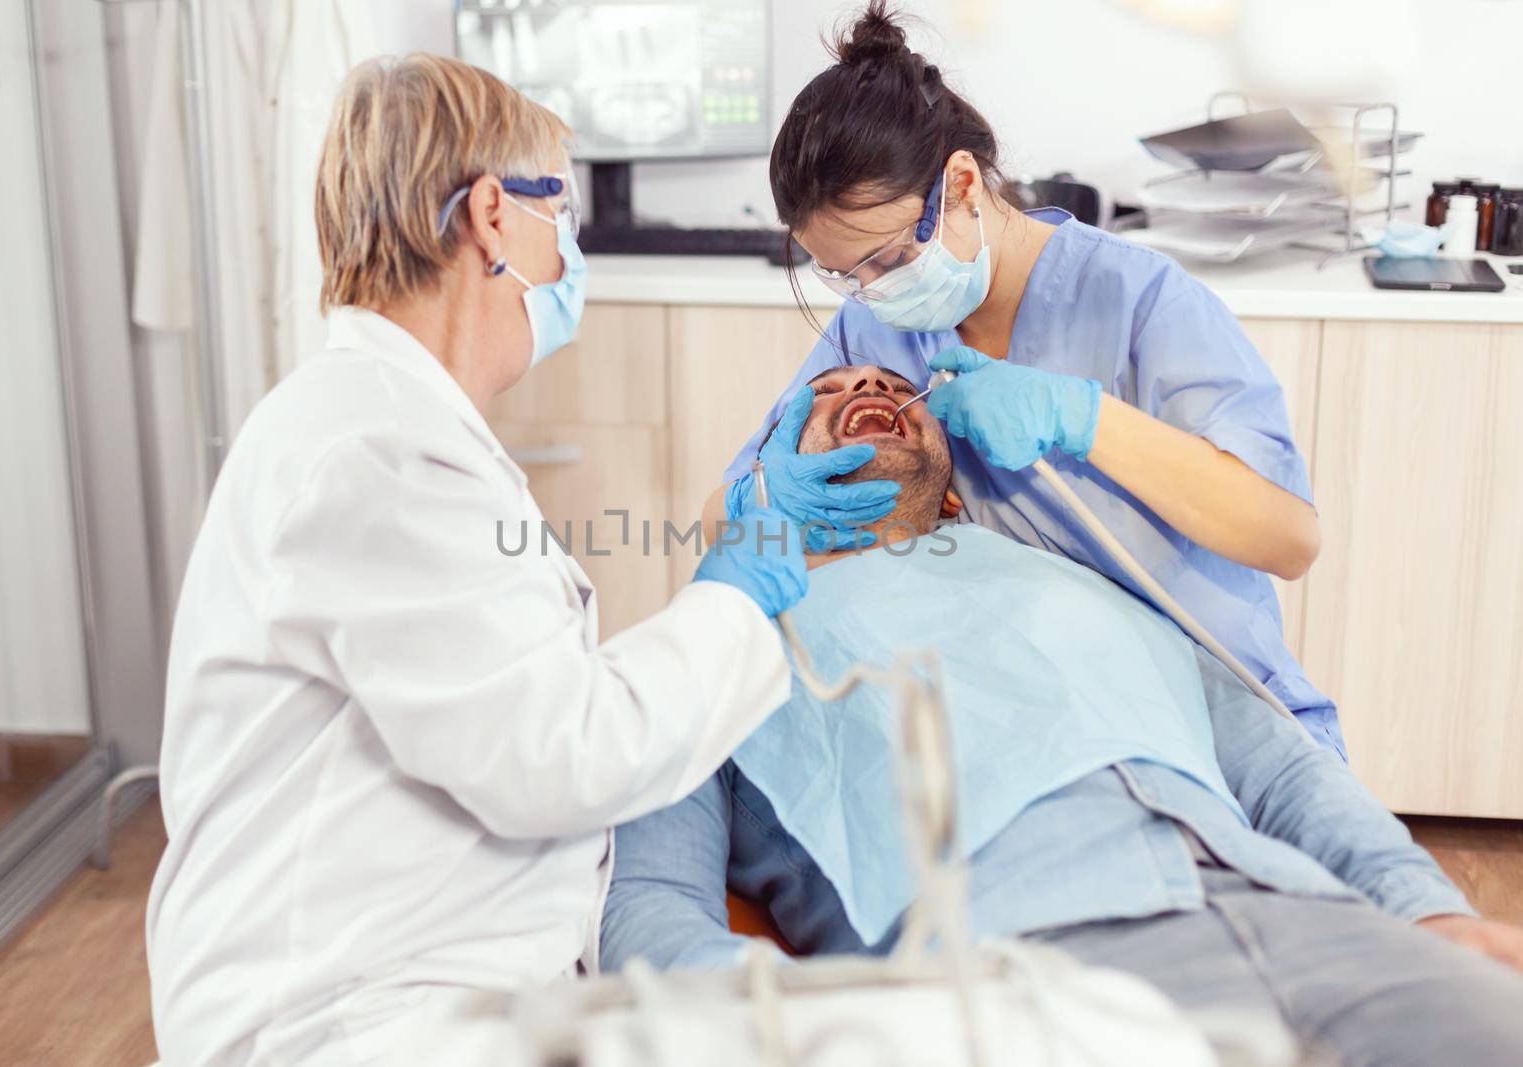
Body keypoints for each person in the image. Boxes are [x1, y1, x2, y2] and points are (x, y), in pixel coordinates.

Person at [146, 55, 811, 1066]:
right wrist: (737, 587)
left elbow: (524, 705)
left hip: (421, 973)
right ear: (494, 217)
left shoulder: (387, 424)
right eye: (566, 216)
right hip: (351, 1022)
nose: (571, 255)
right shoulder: (375, 454)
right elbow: (561, 753)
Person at [606, 364, 1523, 1065]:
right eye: (827, 394)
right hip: (1029, 973)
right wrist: (825, 1031)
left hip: (1308, 916)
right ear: (762, 479)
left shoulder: (1082, 583)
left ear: (953, 492)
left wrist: (1427, 910)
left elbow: (1282, 772)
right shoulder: (715, 638)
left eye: (889, 384)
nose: (869, 386)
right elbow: (648, 908)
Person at [701, 0, 1347, 757]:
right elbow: (717, 523)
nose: (873, 292)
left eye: (887, 260)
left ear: (965, 185)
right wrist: (768, 496)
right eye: (845, 276)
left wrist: (1085, 420)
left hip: (1213, 708)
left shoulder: (1140, 302)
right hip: (1039, 725)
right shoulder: (872, 330)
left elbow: (1290, 540)